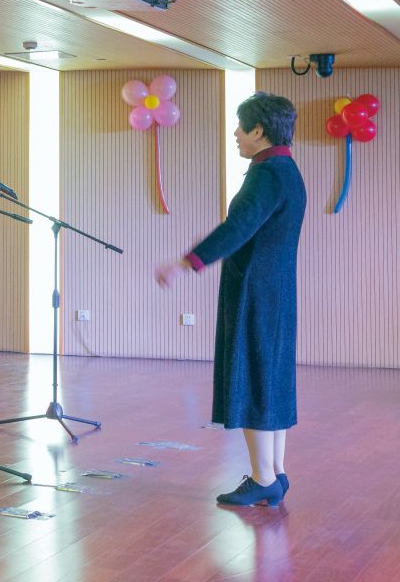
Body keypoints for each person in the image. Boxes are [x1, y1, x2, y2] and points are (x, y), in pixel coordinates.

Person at [156, 92, 305, 508]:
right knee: (269, 377)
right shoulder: (286, 169)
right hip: (276, 289)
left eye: (241, 127)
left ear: (259, 130)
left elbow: (237, 228)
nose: (236, 135)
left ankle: (262, 477)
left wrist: (185, 263)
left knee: (254, 377)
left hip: (255, 290)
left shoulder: (266, 174)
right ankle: (274, 473)